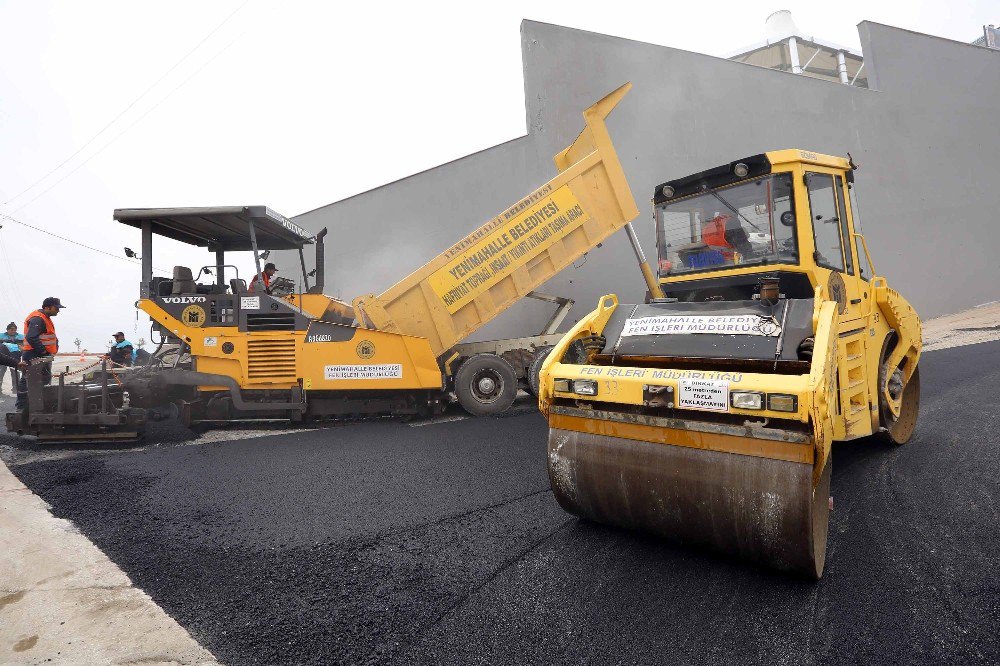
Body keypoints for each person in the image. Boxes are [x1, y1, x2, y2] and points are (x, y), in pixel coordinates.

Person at [16, 297, 64, 410]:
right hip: (34, 354)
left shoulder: (45, 317)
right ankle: (23, 406)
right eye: (56, 308)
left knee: (44, 380)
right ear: (47, 307)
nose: (58, 310)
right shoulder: (37, 318)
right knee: (29, 379)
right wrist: (43, 352)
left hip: (41, 355)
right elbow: (31, 337)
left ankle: (41, 405)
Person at [0, 322, 24, 396]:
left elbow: (24, 347)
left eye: (14, 330)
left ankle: (16, 389)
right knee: (1, 373)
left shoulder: (21, 337)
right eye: (11, 330)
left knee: (15, 374)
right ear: (7, 330)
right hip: (3, 358)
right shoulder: (1, 336)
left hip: (15, 357)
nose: (13, 331)